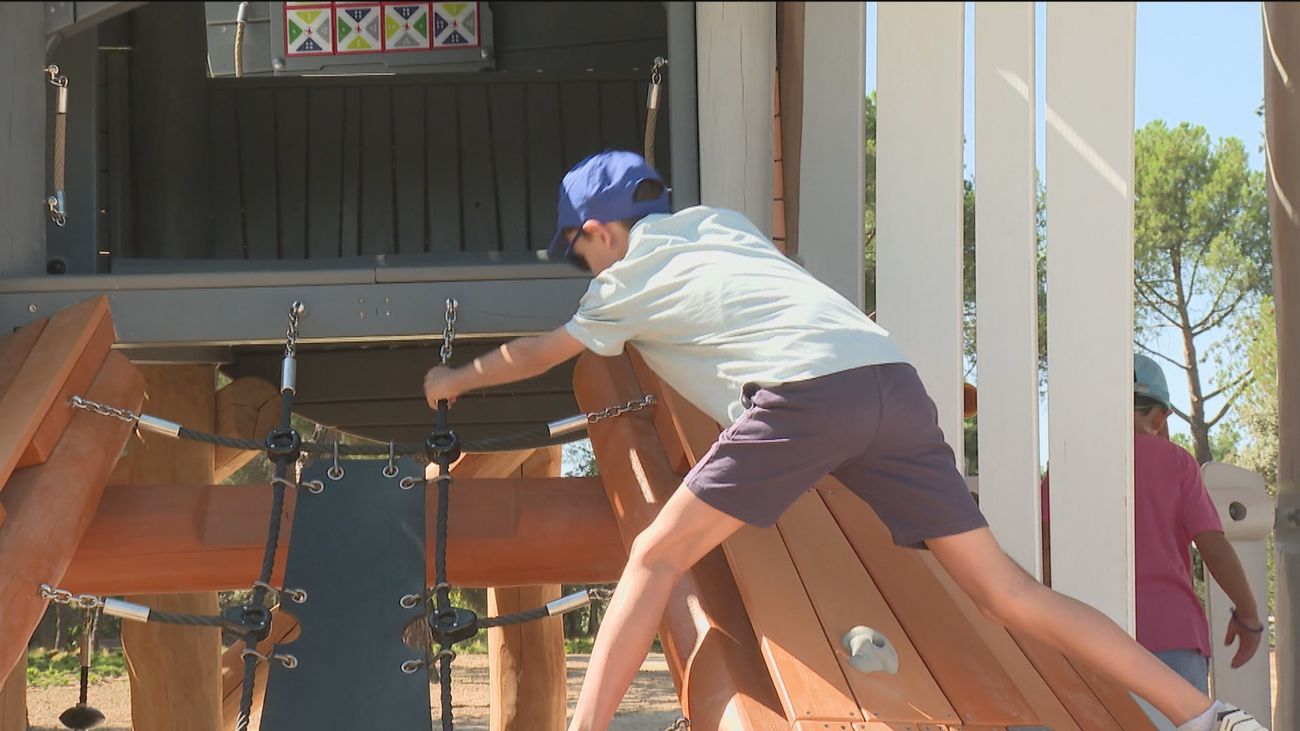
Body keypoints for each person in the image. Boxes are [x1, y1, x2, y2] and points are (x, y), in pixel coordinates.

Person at [421, 150, 1267, 731]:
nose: (585, 268)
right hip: (891, 381)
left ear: (599, 230)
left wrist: (453, 379)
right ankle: (1204, 714)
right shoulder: (724, 225)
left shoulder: (626, 280)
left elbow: (542, 352)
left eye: (578, 252)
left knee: (652, 556)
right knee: (1005, 588)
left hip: (803, 395)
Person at [1041, 354, 1265, 727]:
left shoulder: (1069, 463)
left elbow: (1045, 547)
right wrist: (1249, 615)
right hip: (1172, 636)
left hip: (1084, 633)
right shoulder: (1178, 462)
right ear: (1160, 417)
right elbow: (1213, 546)